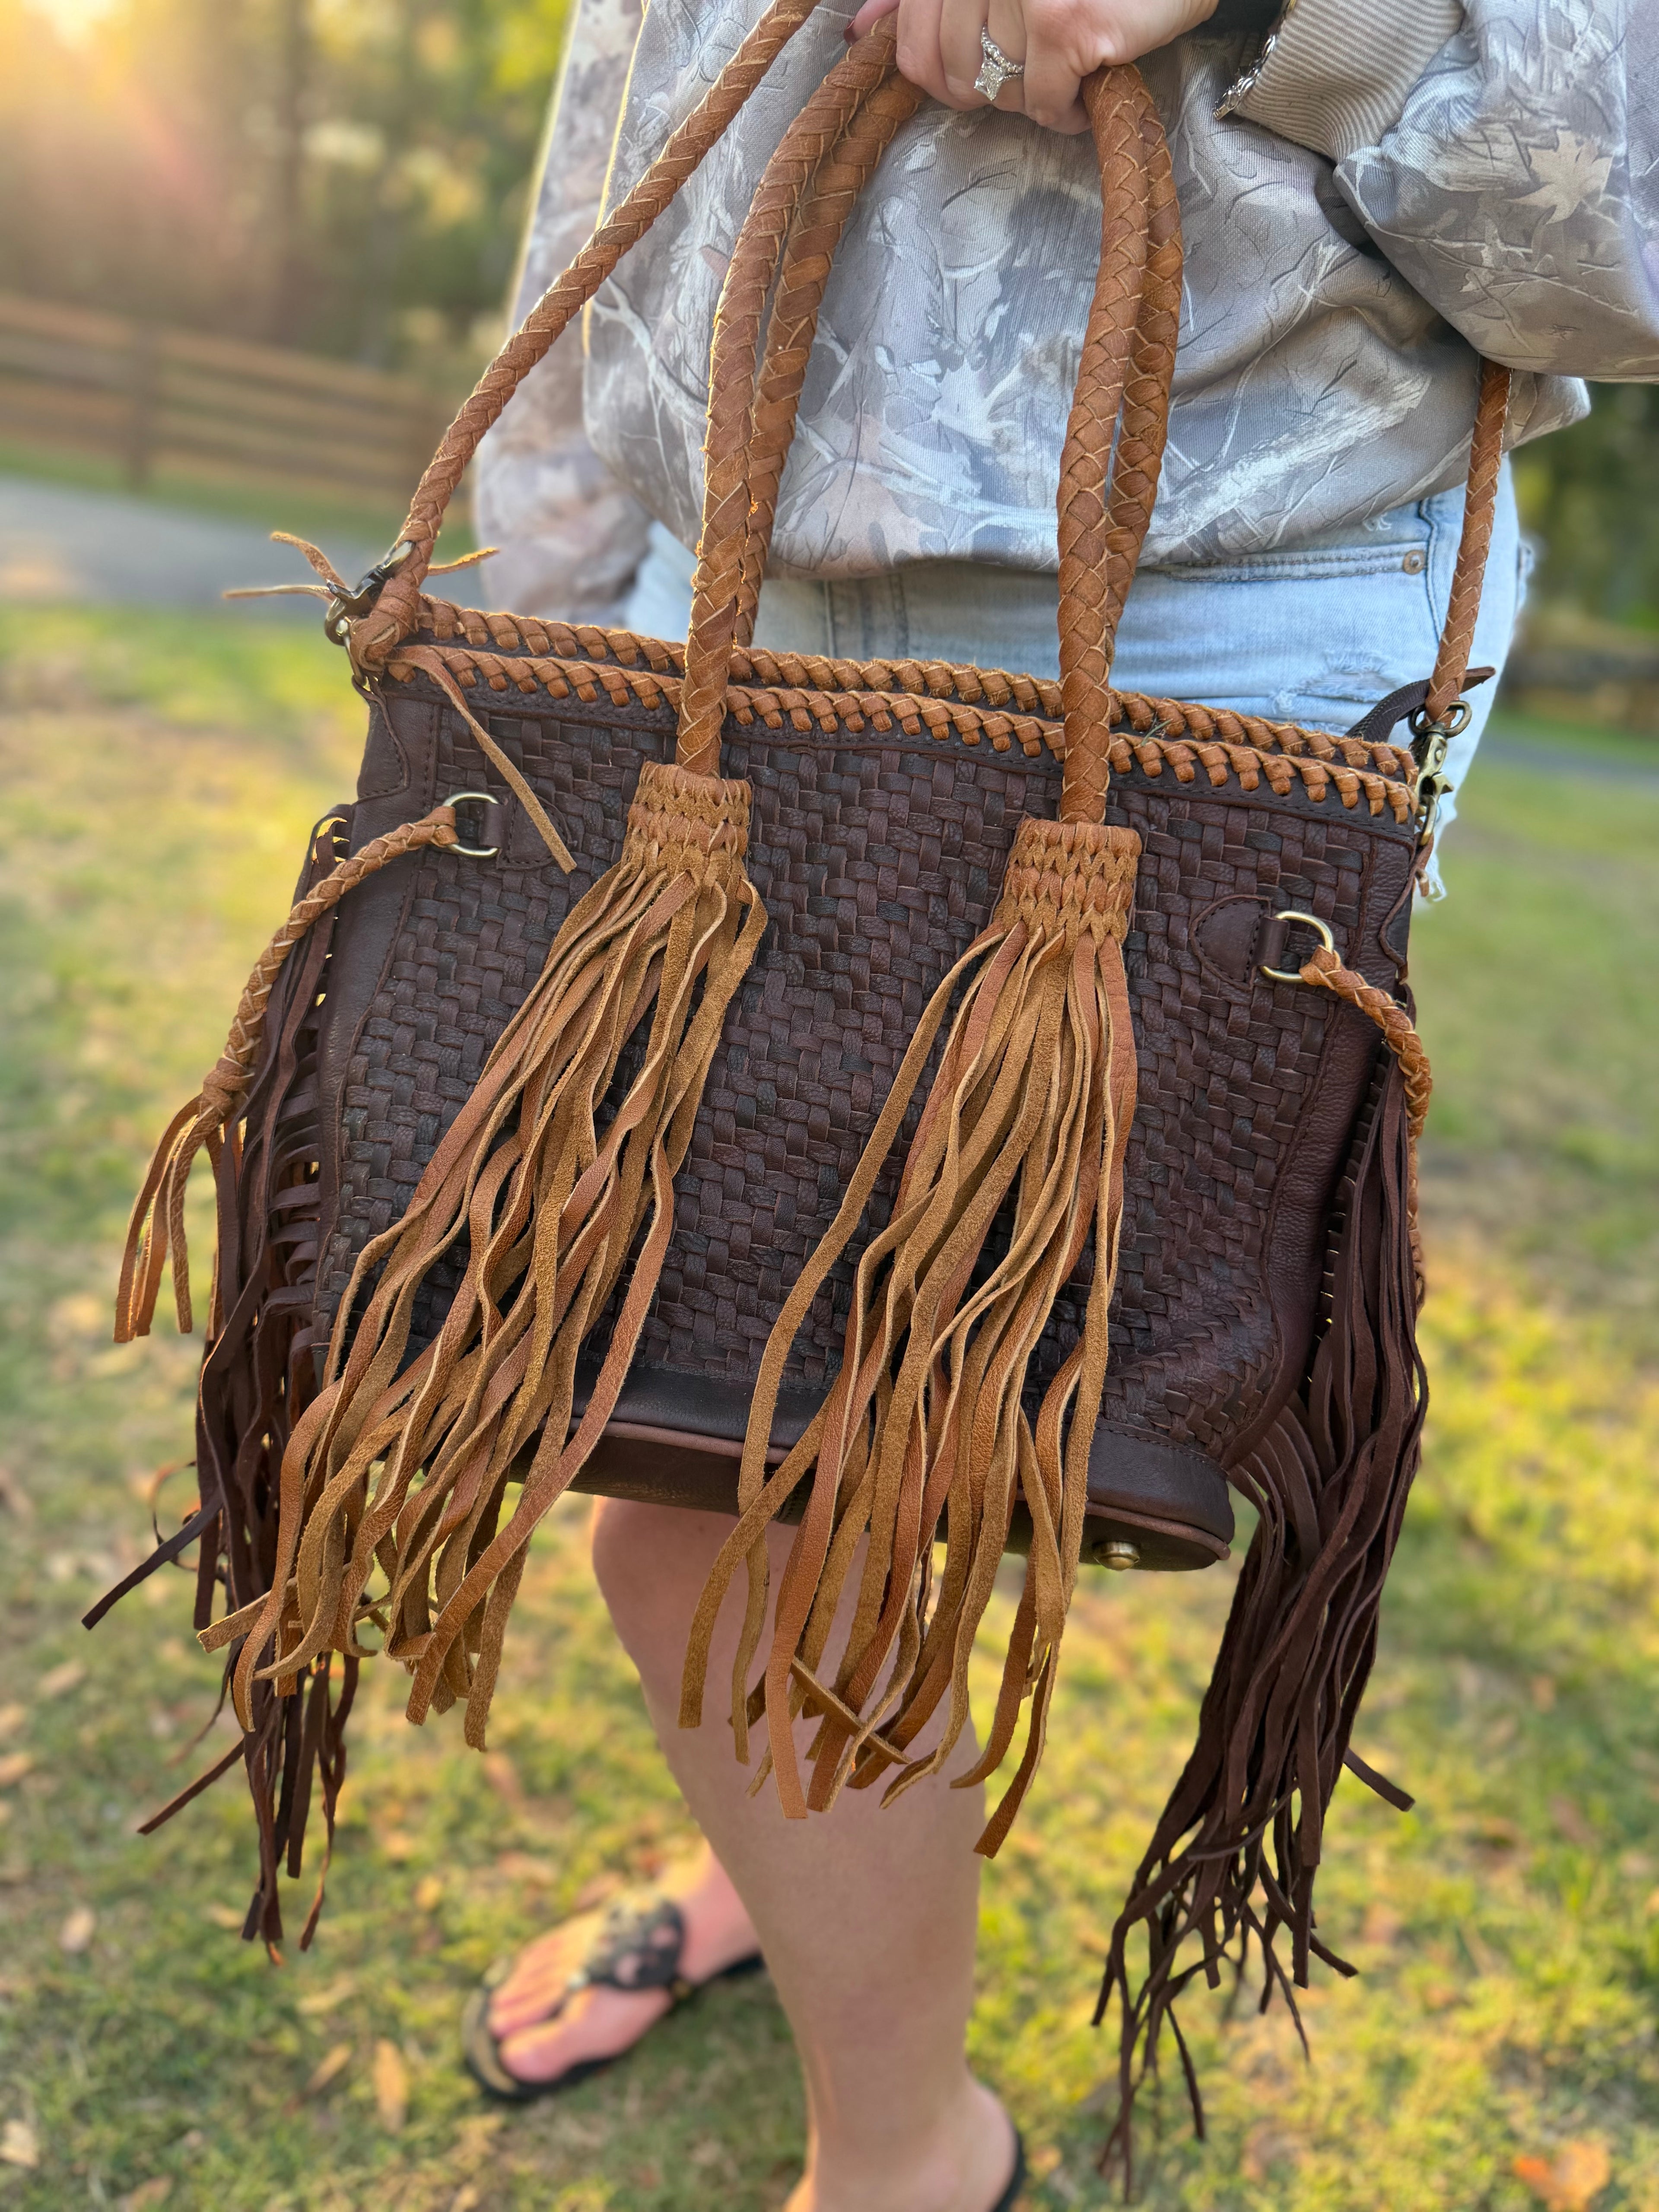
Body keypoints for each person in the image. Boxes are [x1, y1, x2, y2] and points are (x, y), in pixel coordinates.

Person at [462, 2, 1659, 2206]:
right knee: (775, 1452)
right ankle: (802, 1844)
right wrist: (525, 590)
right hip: (697, 561)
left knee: (751, 1486)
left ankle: (912, 2154)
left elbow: (1619, 222)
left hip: (1201, 602)